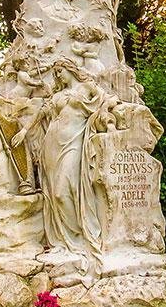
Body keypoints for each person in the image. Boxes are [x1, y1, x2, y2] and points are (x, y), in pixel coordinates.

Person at [11, 58, 114, 262]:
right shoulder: (57, 95)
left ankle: (77, 238)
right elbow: (42, 114)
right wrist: (24, 130)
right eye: (55, 73)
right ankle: (62, 241)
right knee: (53, 194)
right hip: (51, 146)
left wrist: (107, 115)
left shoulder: (87, 87)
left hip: (73, 143)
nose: (58, 76)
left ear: (70, 69)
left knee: (63, 191)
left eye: (60, 71)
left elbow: (108, 100)